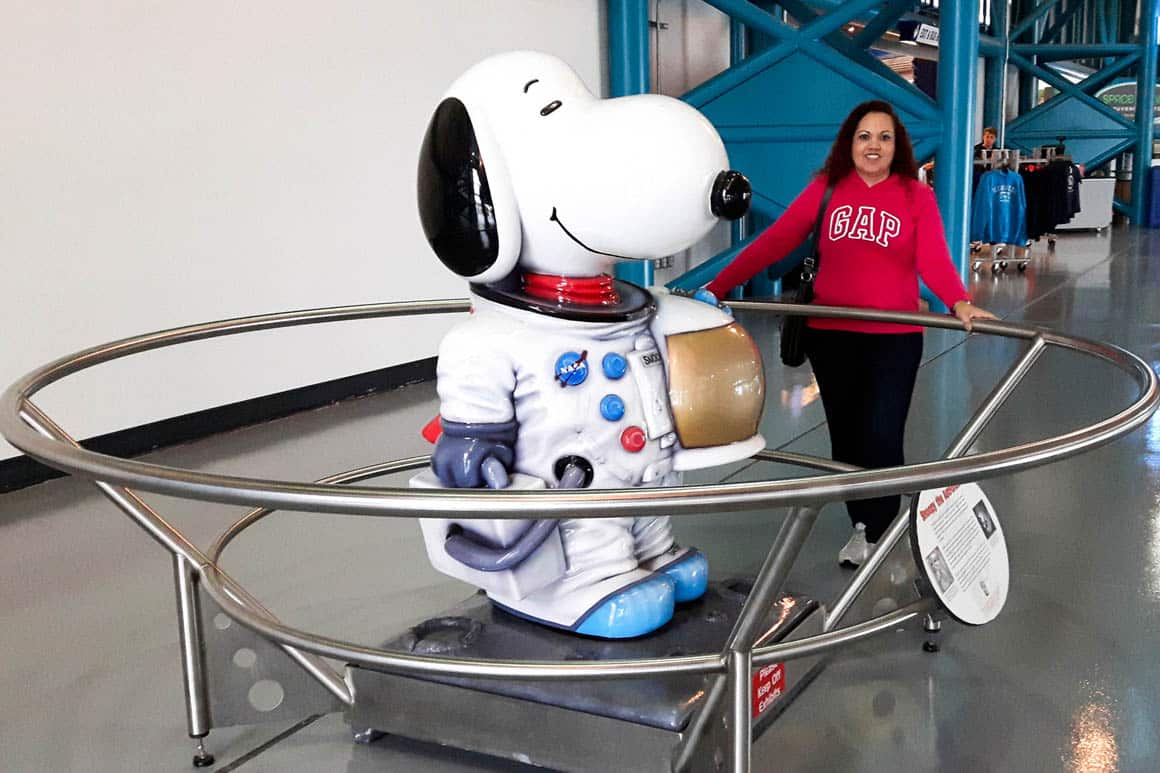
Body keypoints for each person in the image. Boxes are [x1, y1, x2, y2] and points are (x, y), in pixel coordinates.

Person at [703, 100, 996, 568]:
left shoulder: (914, 196)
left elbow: (934, 258)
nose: (874, 145)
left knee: (882, 433)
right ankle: (864, 524)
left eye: (884, 137)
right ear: (849, 143)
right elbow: (778, 238)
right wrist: (717, 285)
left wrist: (958, 300)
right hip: (831, 336)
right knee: (847, 438)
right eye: (864, 136)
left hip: (893, 338)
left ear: (897, 146)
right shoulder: (827, 189)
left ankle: (882, 522)